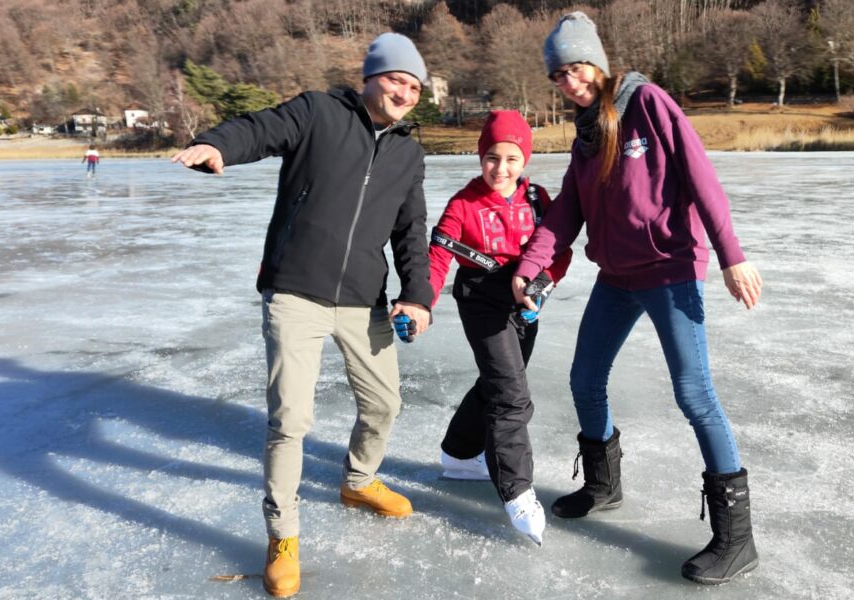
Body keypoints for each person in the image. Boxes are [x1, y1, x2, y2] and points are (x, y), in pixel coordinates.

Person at [171, 32, 433, 598]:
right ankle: (283, 536)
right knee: (291, 420)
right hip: (296, 292)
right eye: (396, 80)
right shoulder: (318, 112)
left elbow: (411, 232)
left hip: (365, 299)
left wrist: (417, 294)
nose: (405, 93)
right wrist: (216, 144)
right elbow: (259, 128)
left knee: (385, 403)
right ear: (371, 77)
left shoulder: (409, 153)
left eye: (414, 87)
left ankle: (359, 481)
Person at [512, 12, 764, 585]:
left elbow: (701, 177)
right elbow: (566, 212)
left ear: (597, 64)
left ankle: (736, 539)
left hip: (670, 269)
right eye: (559, 76)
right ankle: (603, 486)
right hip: (617, 275)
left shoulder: (646, 102)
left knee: (695, 394)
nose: (570, 82)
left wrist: (731, 254)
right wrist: (530, 265)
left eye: (576, 69)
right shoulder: (584, 133)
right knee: (584, 378)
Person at [428, 110, 571, 546]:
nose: (501, 168)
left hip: (525, 301)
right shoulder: (463, 204)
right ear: (480, 155)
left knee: (499, 380)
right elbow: (438, 258)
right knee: (510, 392)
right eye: (492, 157)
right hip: (481, 301)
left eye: (512, 158)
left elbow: (558, 251)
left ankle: (457, 454)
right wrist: (421, 301)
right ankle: (516, 490)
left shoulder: (539, 200)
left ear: (524, 158)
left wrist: (543, 286)